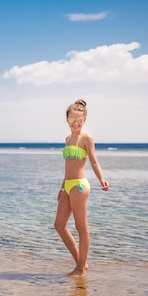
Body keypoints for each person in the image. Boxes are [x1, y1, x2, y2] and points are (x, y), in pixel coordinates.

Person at [54, 99, 109, 277]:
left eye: (79, 120)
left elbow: (93, 161)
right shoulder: (68, 139)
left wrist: (102, 179)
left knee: (81, 226)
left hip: (79, 186)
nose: (75, 124)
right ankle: (81, 263)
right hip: (68, 186)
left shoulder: (86, 139)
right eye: (72, 120)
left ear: (84, 120)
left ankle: (80, 268)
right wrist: (62, 188)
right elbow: (68, 166)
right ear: (67, 119)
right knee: (59, 225)